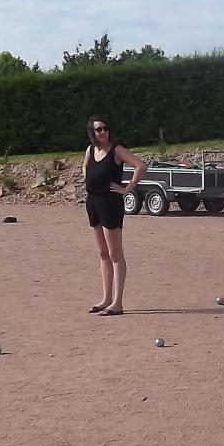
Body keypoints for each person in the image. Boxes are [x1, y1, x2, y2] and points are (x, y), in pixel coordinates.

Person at [83, 117, 147, 315]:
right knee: (103, 253)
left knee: (114, 254)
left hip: (110, 204)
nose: (102, 132)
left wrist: (126, 189)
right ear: (92, 133)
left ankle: (118, 303)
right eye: (98, 130)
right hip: (93, 202)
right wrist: (88, 180)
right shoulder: (90, 150)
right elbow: (86, 167)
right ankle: (106, 299)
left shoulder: (116, 150)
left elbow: (140, 166)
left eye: (104, 128)